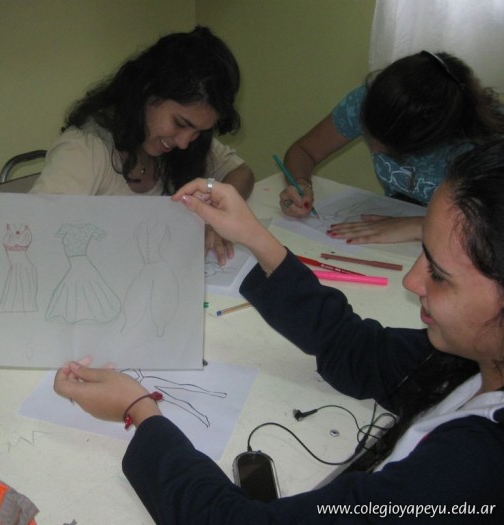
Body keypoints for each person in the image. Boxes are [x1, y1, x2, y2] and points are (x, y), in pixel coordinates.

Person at [54, 139, 504, 523]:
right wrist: (255, 237)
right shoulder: (473, 362)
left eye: (439, 274)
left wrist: (140, 411)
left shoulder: (471, 470)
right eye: (422, 253)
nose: (412, 280)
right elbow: (360, 351)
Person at [29, 26, 254, 265]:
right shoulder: (84, 149)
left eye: (199, 131)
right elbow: (37, 234)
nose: (184, 142)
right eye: (180, 123)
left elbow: (241, 173)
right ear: (148, 90)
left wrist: (217, 219)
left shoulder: (181, 140)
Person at [279, 51, 504, 245]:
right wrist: (300, 183)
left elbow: (495, 226)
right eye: (370, 135)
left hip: (458, 244)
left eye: (390, 147)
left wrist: (420, 226)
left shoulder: (486, 142)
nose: (375, 150)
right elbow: (304, 151)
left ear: (432, 139)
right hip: (396, 229)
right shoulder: (370, 103)